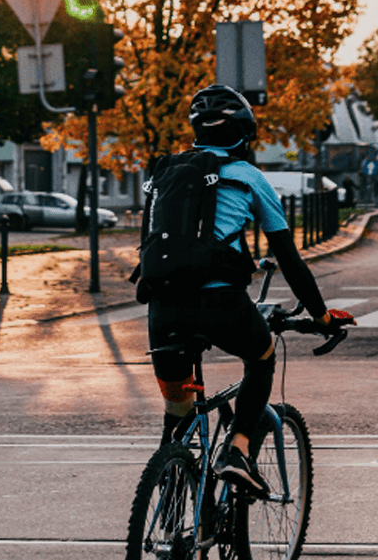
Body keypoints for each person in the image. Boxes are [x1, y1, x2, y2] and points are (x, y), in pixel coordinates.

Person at [145, 84, 354, 495]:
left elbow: (174, 242)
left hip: (162, 309)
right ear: (244, 134)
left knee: (178, 409)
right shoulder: (248, 176)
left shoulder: (164, 174)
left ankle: (168, 495)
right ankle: (237, 451)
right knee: (261, 357)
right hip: (219, 305)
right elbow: (289, 257)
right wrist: (321, 315)